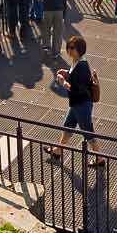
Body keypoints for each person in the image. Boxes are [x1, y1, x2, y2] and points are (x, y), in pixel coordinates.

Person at [43, 36, 105, 166]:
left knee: (88, 131)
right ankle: (57, 151)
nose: (69, 50)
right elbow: (76, 78)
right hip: (77, 103)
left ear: (80, 50)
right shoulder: (78, 61)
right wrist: (67, 73)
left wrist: (63, 82)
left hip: (81, 104)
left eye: (72, 48)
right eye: (68, 47)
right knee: (68, 125)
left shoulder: (81, 66)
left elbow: (76, 88)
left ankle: (100, 158)